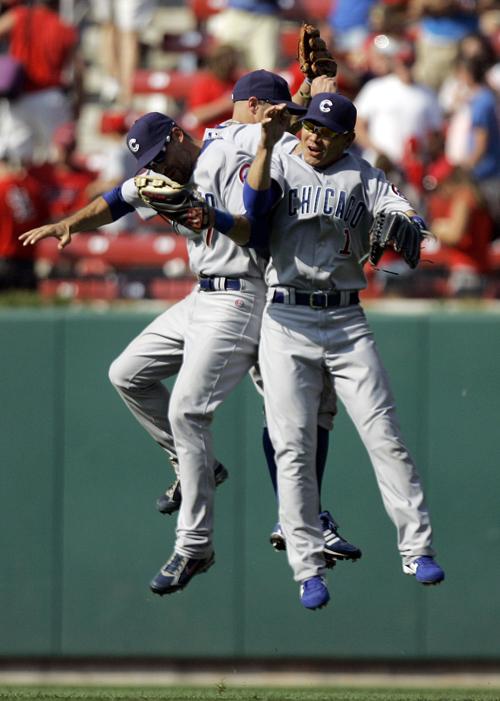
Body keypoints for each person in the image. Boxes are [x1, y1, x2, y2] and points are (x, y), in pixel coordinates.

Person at [192, 93, 446, 608]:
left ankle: (416, 548)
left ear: (346, 139)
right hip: (286, 315)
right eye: (309, 126)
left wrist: (410, 223)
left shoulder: (365, 175)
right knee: (291, 445)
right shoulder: (280, 159)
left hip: (347, 317)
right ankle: (308, 569)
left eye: (326, 132)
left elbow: (403, 212)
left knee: (385, 435)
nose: (313, 135)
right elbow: (256, 210)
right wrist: (267, 142)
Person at [200, 70, 361, 563]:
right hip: (265, 291)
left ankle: (297, 515)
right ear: (256, 106)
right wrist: (320, 94)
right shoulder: (255, 137)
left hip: (220, 287)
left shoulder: (212, 145)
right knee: (302, 412)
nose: (291, 122)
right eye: (283, 112)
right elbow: (310, 139)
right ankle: (299, 518)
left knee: (285, 412)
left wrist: (309, 89)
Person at [0, 0, 82, 163]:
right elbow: (78, 72)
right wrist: (79, 103)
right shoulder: (64, 28)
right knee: (57, 156)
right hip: (51, 98)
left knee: (15, 158)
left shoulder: (20, 16)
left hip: (19, 97)